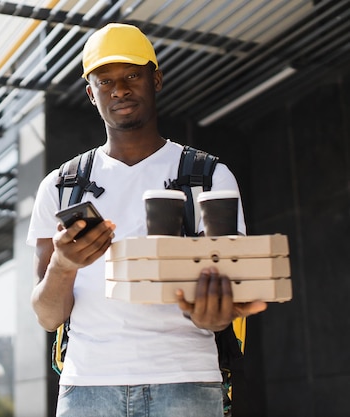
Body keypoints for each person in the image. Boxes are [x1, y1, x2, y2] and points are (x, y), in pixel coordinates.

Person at [26, 23, 267, 417]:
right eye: (105, 81)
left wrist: (215, 313)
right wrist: (64, 263)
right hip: (88, 387)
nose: (119, 90)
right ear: (91, 93)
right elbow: (47, 315)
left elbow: (228, 295)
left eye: (132, 76)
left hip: (186, 380)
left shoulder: (208, 177)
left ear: (156, 79)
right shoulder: (61, 185)